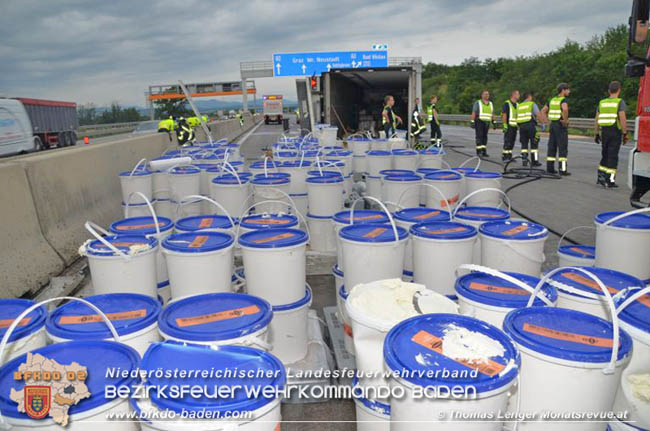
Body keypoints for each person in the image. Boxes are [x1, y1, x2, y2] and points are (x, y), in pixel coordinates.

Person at [594, 81, 628, 188]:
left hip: (605, 131)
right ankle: (610, 180)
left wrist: (596, 133)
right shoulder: (619, 102)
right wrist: (625, 133)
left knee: (605, 154)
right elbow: (622, 118)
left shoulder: (602, 102)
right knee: (613, 157)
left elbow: (596, 119)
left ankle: (600, 177)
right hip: (615, 131)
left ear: (609, 90)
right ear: (619, 90)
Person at [542, 83, 571, 175]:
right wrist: (565, 121)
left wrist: (547, 121)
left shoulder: (552, 100)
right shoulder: (563, 100)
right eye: (567, 90)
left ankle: (550, 168)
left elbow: (543, 111)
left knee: (552, 146)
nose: (569, 91)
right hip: (560, 125)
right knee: (562, 147)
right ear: (563, 90)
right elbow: (565, 109)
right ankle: (562, 170)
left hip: (553, 125)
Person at [516, 92, 543, 166]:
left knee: (524, 144)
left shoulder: (519, 106)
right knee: (534, 143)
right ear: (529, 97)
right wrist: (541, 123)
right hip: (530, 125)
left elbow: (517, 117)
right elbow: (538, 114)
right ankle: (535, 161)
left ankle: (524, 160)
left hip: (522, 126)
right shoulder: (532, 104)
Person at [471, 89, 496, 157]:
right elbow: (474, 112)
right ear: (482, 95)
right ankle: (479, 151)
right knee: (479, 136)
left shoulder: (490, 103)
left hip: (487, 122)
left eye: (487, 94)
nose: (487, 95)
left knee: (485, 137)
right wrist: (472, 121)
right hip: (479, 121)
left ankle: (484, 151)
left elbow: (492, 113)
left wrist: (494, 122)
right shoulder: (478, 103)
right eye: (485, 94)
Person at [501, 90, 520, 162]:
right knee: (507, 141)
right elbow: (504, 114)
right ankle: (505, 156)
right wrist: (505, 125)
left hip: (514, 126)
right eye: (518, 94)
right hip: (509, 125)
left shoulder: (518, 105)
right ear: (513, 95)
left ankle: (509, 156)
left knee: (512, 141)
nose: (519, 96)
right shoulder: (507, 103)